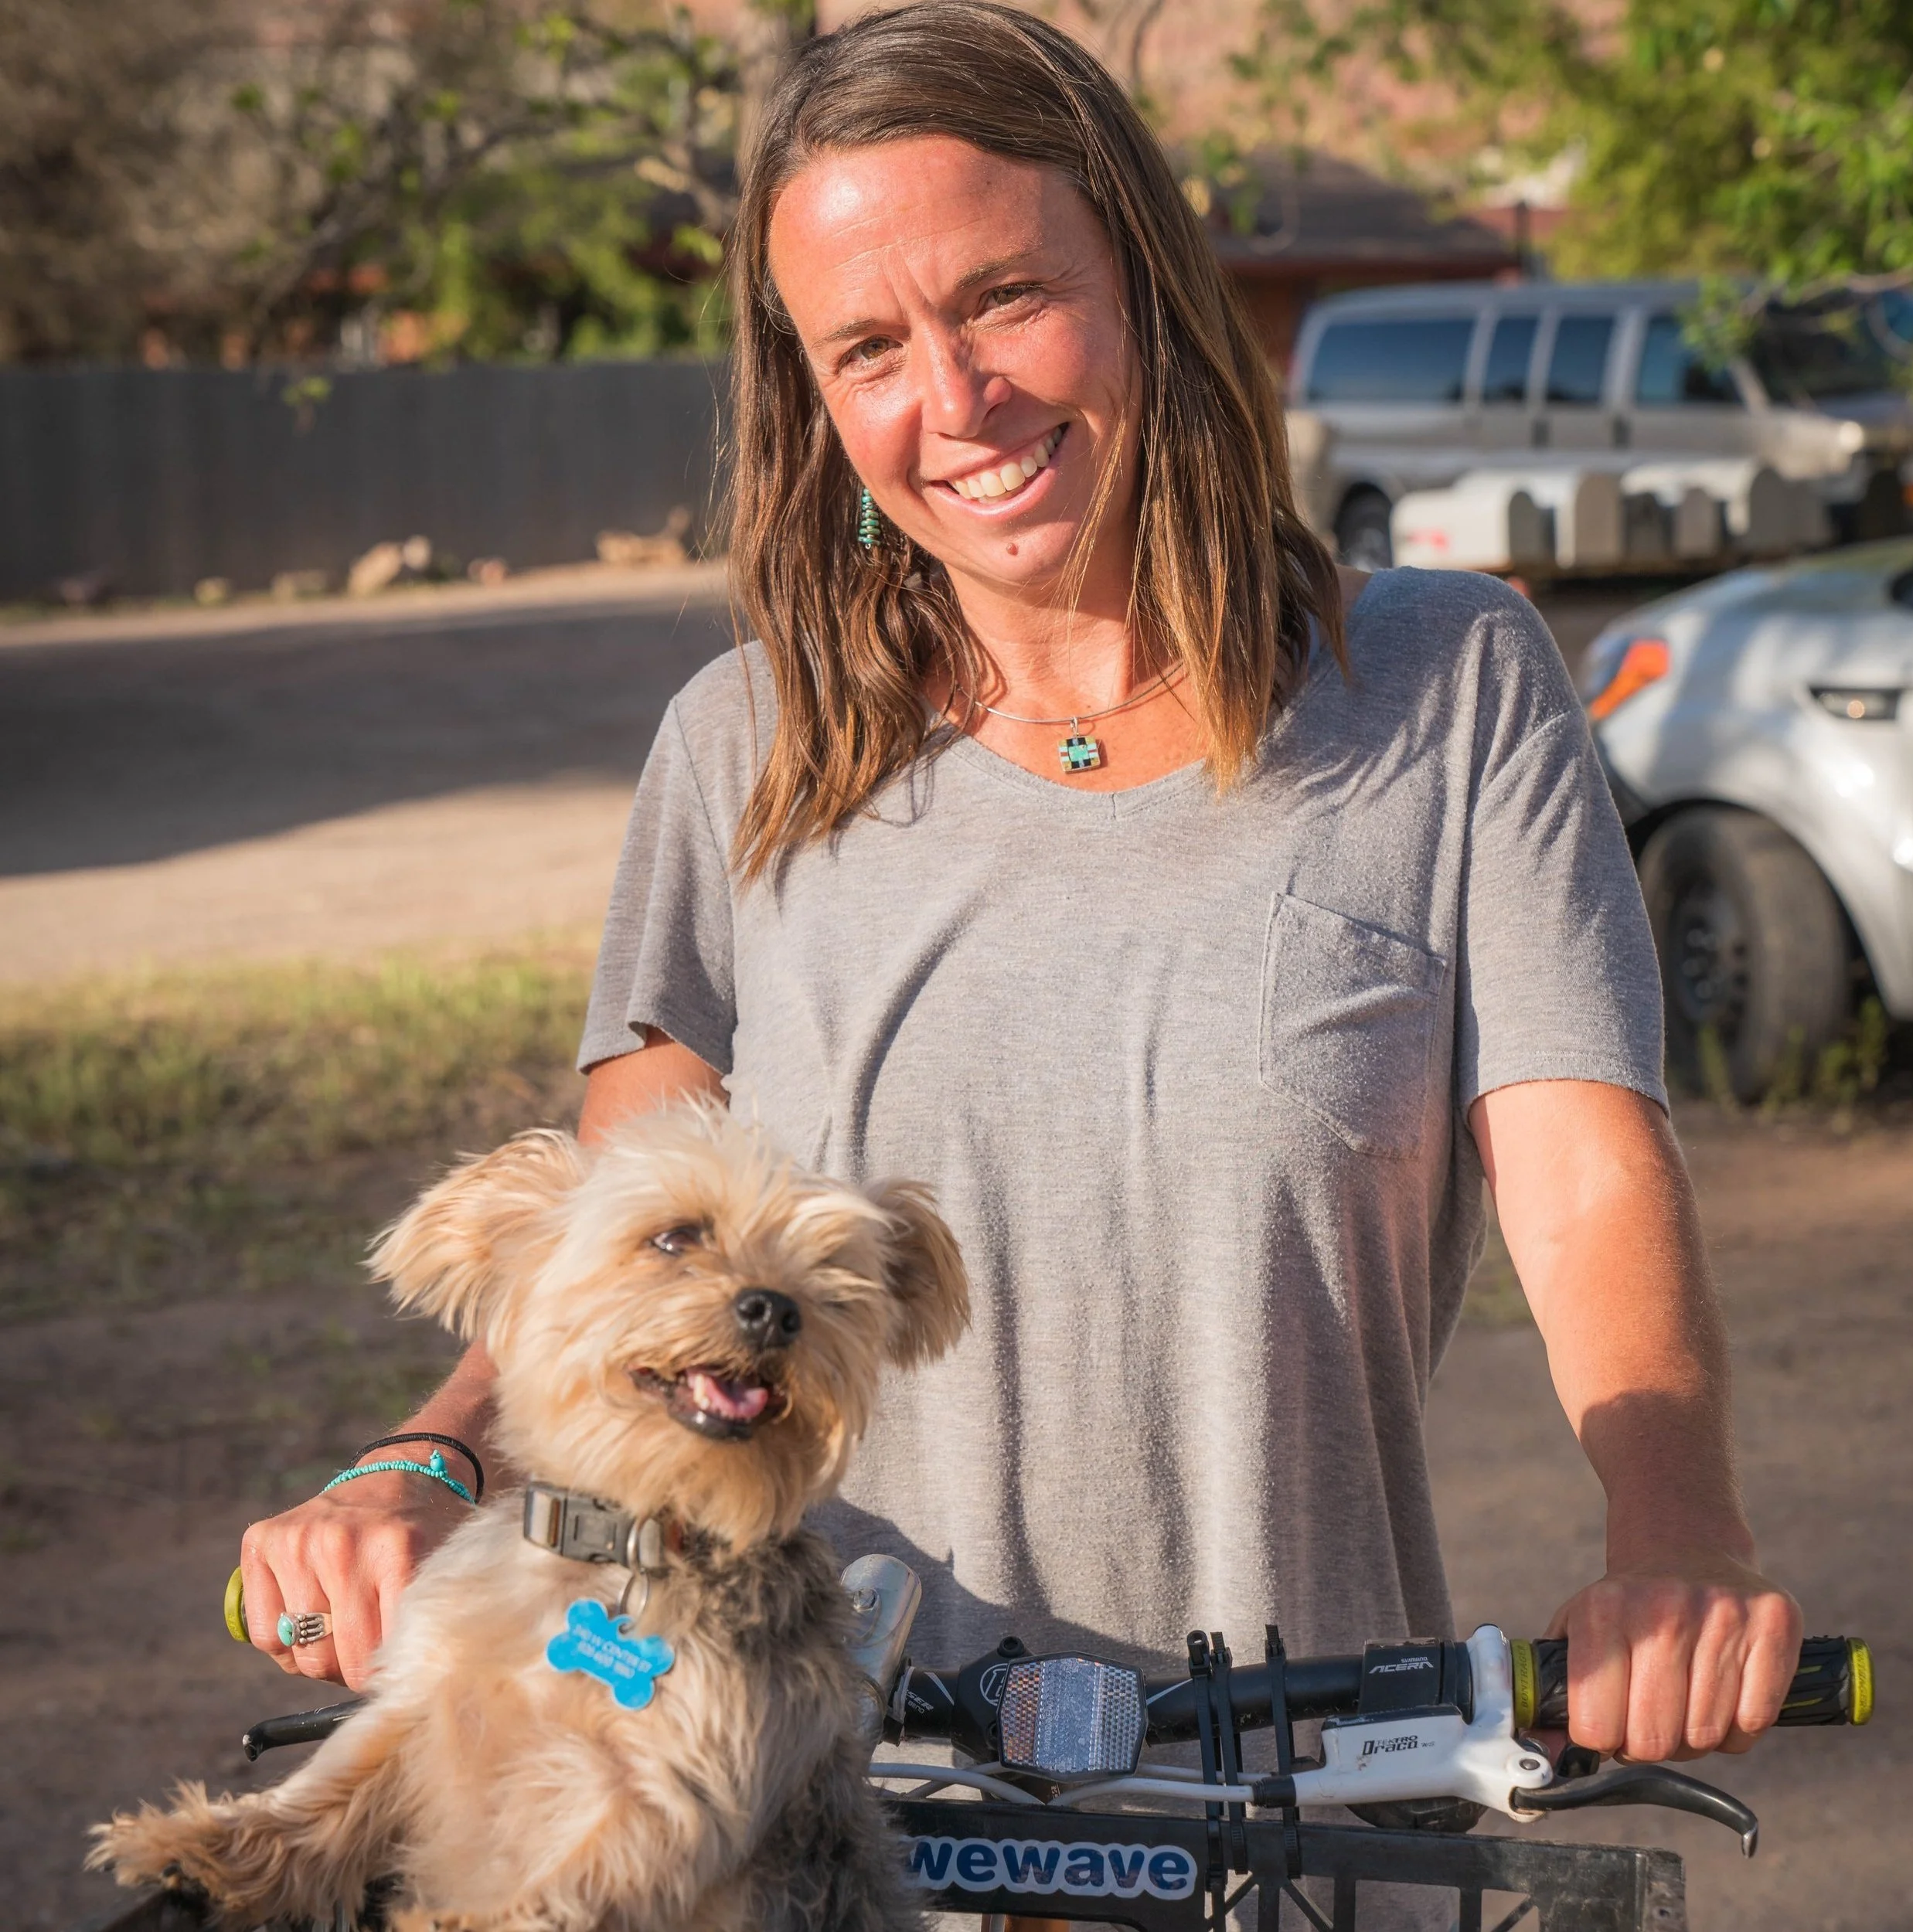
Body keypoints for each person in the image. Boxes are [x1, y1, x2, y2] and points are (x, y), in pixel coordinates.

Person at [239, 0, 1800, 1810]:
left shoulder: (1445, 687)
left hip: (1298, 1794)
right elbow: (613, 1277)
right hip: (818, 1807)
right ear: (813, 400)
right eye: (868, 347)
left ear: (1139, 276)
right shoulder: (742, 745)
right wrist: (420, 1466)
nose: (955, 400)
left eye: (999, 298)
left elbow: (1581, 1164)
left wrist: (1674, 1527)